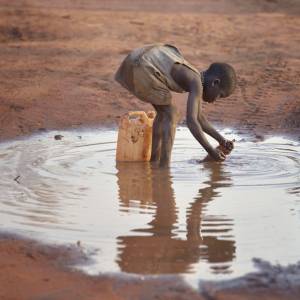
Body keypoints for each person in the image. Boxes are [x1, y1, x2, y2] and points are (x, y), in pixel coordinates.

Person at [115, 43, 237, 166]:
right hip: (143, 66)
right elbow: (192, 122)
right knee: (170, 114)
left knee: (163, 114)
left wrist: (222, 140)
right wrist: (211, 151)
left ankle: (154, 162)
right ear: (215, 83)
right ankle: (164, 167)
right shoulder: (196, 82)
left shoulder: (195, 78)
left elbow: (199, 119)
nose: (216, 100)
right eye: (220, 95)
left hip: (134, 62)